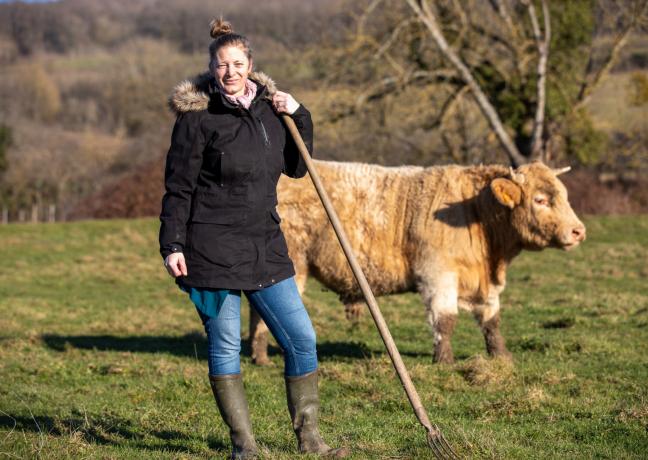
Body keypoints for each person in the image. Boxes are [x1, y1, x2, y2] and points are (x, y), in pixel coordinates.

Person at [159, 18, 349, 459]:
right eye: (222, 64)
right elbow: (178, 187)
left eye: (238, 63)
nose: (230, 72)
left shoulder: (270, 110)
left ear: (250, 65)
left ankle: (310, 440)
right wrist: (172, 245)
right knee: (225, 346)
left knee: (301, 340)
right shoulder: (196, 120)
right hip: (210, 250)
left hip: (265, 245)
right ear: (211, 68)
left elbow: (297, 167)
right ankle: (244, 448)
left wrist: (299, 113)